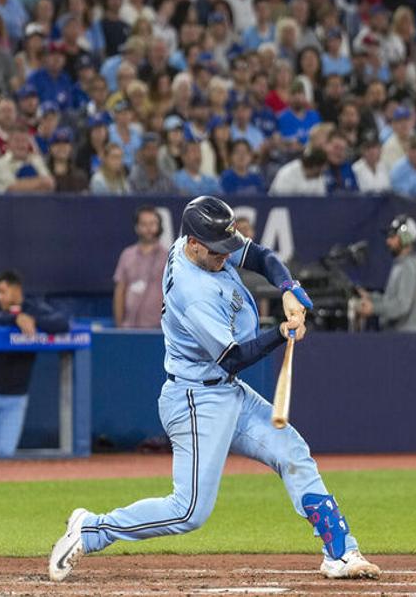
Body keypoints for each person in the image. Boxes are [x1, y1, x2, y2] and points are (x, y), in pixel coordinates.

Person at [48, 196, 380, 583]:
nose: (225, 255)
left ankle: (340, 552)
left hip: (226, 392)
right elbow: (234, 358)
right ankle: (91, 530)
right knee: (189, 512)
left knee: (292, 451)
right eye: (216, 250)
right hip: (195, 399)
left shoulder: (197, 240)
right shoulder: (193, 293)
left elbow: (257, 255)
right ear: (192, 244)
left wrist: (287, 286)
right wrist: (281, 332)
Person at [0, 271, 69, 457]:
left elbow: (62, 323)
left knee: (5, 453)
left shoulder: (32, 307)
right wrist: (15, 318)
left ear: (17, 289)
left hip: (15, 398)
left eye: (3, 291)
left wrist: (32, 319)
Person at [356, 215, 416, 332]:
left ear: (406, 238)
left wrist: (374, 308)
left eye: (393, 237)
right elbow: (391, 299)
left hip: (404, 339)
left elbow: (402, 305)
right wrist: (371, 297)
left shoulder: (408, 267)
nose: (388, 241)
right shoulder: (400, 265)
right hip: (397, 337)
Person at [113, 206, 166, 329]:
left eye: (152, 224)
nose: (149, 228)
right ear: (137, 227)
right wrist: (119, 326)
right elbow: (120, 291)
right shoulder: (127, 255)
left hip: (157, 330)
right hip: (129, 328)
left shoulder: (168, 258)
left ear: (159, 226)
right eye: (144, 224)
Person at [0, 129, 54, 194]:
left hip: (40, 202)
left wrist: (22, 185)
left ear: (28, 143)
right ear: (9, 143)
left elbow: (49, 184)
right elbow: (12, 188)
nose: (20, 145)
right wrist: (40, 183)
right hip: (8, 203)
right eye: (17, 141)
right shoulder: (1, 163)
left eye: (24, 141)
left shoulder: (37, 160)